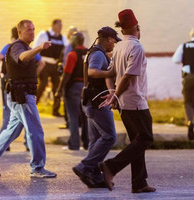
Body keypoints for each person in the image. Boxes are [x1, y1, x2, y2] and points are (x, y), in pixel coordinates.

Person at [0, 19, 56, 178]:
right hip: (20, 96)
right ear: (20, 32)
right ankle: (37, 167)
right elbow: (22, 57)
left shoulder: (26, 47)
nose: (32, 32)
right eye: (29, 30)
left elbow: (32, 62)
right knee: (36, 131)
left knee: (11, 131)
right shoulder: (16, 47)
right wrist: (39, 48)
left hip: (22, 95)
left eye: (34, 29)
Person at [98, 9, 156, 193]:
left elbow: (110, 73)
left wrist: (113, 92)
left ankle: (139, 182)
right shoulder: (136, 47)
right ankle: (111, 166)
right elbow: (129, 76)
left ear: (122, 30)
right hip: (135, 101)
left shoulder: (120, 47)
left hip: (123, 102)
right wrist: (114, 95)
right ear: (137, 27)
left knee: (136, 141)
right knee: (146, 138)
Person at [72, 26, 120, 188]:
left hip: (89, 100)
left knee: (95, 139)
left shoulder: (93, 51)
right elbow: (93, 72)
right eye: (114, 41)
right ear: (109, 39)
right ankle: (85, 166)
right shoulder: (98, 54)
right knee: (109, 136)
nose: (114, 45)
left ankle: (92, 175)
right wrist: (110, 73)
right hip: (97, 101)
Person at [0, 26, 45, 151]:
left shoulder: (9, 46)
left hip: (8, 81)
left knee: (8, 112)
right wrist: (33, 76)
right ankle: (28, 144)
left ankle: (3, 144)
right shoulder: (27, 49)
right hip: (23, 85)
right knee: (26, 115)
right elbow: (42, 63)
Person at [55, 32, 88, 150]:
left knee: (73, 116)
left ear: (75, 41)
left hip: (73, 87)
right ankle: (87, 143)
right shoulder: (89, 53)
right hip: (86, 87)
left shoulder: (72, 55)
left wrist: (59, 89)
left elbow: (67, 74)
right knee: (86, 116)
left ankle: (74, 144)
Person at [33, 19, 69, 117]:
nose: (60, 27)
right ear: (53, 25)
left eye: (61, 25)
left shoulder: (63, 38)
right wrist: (37, 62)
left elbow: (67, 49)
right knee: (42, 84)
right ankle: (33, 107)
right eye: (58, 25)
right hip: (44, 62)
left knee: (57, 87)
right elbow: (35, 48)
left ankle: (55, 110)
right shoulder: (44, 35)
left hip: (55, 64)